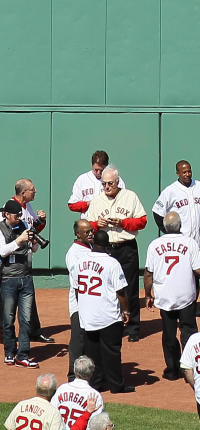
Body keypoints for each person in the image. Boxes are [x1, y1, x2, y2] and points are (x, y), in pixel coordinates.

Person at [85, 166, 147, 342]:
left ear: (117, 182)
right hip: (105, 249)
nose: (106, 187)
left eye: (110, 183)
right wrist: (98, 224)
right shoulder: (97, 200)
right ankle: (114, 324)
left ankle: (133, 327)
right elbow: (89, 225)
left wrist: (123, 222)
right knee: (108, 289)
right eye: (104, 184)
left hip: (126, 247)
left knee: (130, 287)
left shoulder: (130, 196)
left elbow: (142, 221)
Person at [144, 212, 200, 381]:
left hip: (165, 297)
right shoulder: (190, 243)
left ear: (164, 226)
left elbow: (149, 273)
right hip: (186, 296)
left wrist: (148, 294)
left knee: (169, 334)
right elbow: (199, 270)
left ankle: (172, 369)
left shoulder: (154, 244)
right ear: (180, 226)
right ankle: (188, 369)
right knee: (189, 331)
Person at [71, 230, 131, 394]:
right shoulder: (112, 263)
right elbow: (120, 291)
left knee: (92, 352)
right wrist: (126, 310)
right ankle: (116, 386)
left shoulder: (81, 261)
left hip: (88, 315)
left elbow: (77, 289)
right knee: (111, 351)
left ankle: (95, 384)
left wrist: (83, 306)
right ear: (107, 245)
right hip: (108, 316)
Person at [1, 200, 41, 368]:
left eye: (20, 215)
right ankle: (10, 352)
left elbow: (33, 250)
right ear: (6, 214)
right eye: (16, 215)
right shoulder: (0, 228)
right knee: (8, 320)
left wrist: (34, 240)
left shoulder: (23, 225)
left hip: (26, 278)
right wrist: (19, 240)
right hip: (8, 280)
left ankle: (23, 354)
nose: (19, 218)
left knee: (26, 320)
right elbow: (2, 251)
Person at [154, 160, 200, 253]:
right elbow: (157, 211)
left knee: (197, 266)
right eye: (184, 172)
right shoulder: (170, 191)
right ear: (178, 173)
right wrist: (168, 232)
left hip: (197, 240)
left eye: (189, 171)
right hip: (179, 243)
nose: (187, 174)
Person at [65, 221, 94, 380]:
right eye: (87, 232)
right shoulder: (74, 253)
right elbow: (77, 282)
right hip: (78, 303)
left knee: (90, 340)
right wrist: (82, 305)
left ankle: (89, 374)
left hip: (92, 302)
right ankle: (72, 376)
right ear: (78, 234)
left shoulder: (90, 247)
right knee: (78, 340)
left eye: (91, 231)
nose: (91, 234)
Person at [52, 356, 103, 430]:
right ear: (91, 373)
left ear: (75, 371)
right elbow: (97, 426)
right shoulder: (95, 395)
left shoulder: (62, 388)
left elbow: (51, 412)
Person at [67, 152, 119, 219]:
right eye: (96, 170)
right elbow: (72, 205)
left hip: (109, 224)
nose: (98, 173)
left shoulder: (115, 178)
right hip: (88, 223)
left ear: (106, 166)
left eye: (101, 170)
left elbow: (122, 201)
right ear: (92, 165)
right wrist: (89, 203)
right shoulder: (82, 179)